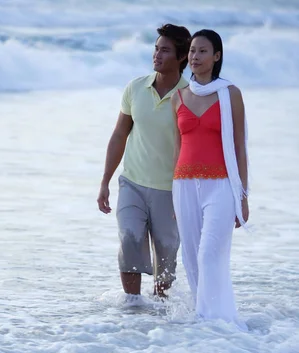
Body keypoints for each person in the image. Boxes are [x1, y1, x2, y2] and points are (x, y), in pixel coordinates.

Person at [97, 24, 191, 298]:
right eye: (156, 48)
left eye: (165, 50)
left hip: (170, 190)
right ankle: (133, 307)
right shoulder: (136, 88)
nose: (157, 55)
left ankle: (160, 313)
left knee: (166, 258)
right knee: (130, 240)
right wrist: (105, 182)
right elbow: (119, 135)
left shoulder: (190, 96)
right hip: (133, 182)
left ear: (181, 56)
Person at [171, 29, 249, 324]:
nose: (195, 57)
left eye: (203, 51)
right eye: (192, 51)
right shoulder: (178, 98)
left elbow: (239, 146)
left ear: (216, 56)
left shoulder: (230, 94)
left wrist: (243, 196)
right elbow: (177, 148)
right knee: (191, 260)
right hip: (184, 185)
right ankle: (205, 324)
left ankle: (221, 321)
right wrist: (172, 195)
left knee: (208, 256)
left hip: (221, 186)